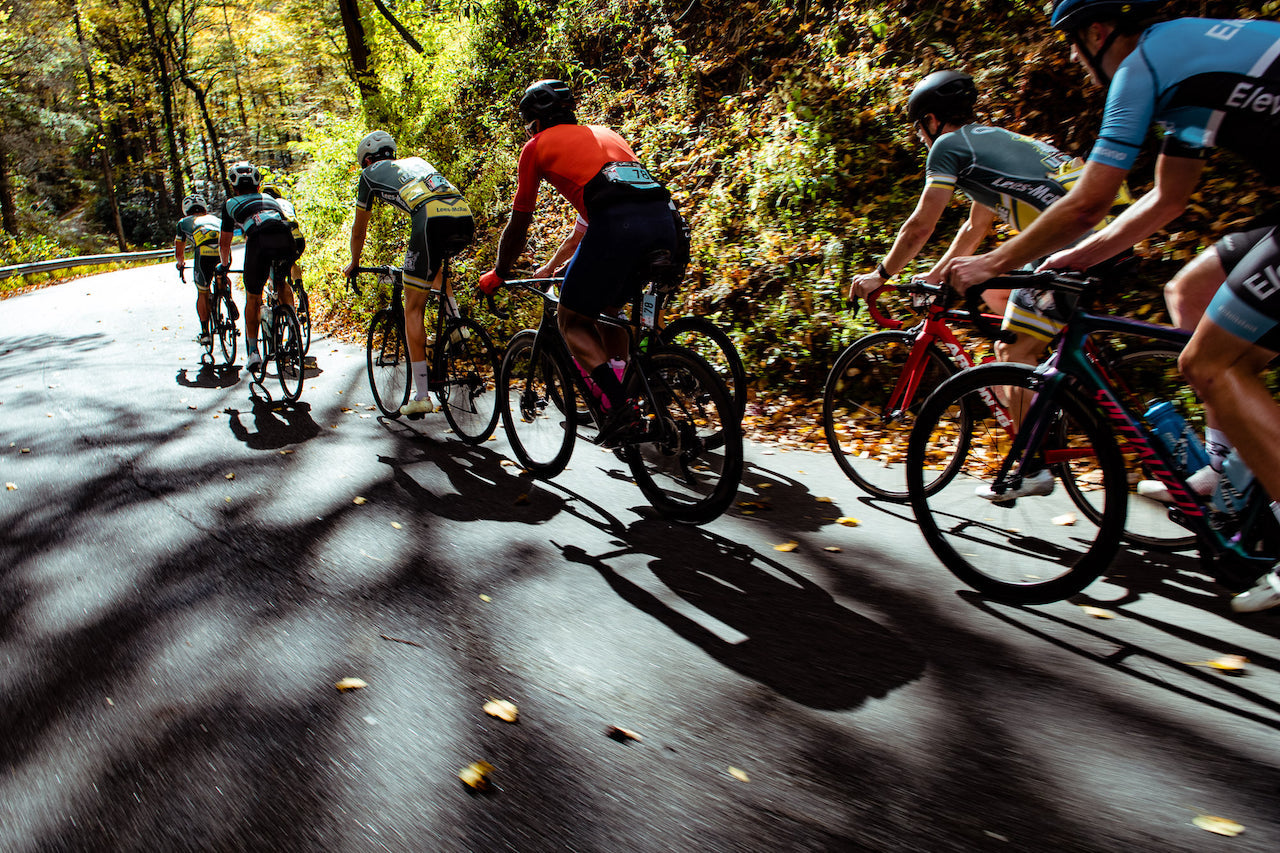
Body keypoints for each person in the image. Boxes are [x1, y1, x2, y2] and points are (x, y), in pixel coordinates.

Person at [940, 0, 1280, 611]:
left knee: (1208, 364)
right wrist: (1075, 258)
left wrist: (993, 263)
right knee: (1190, 291)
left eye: (1073, 42)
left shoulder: (1142, 66)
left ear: (1099, 31)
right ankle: (1230, 468)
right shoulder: (1192, 67)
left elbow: (1090, 200)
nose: (1073, 56)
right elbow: (1167, 198)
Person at [851, 70, 1129, 373]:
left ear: (932, 120)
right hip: (1111, 229)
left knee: (1009, 352)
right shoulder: (992, 140)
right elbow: (974, 229)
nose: (921, 139)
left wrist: (881, 274)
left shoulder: (947, 146)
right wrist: (934, 276)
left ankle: (1034, 377)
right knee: (992, 290)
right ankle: (1063, 367)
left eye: (919, 130)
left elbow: (920, 227)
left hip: (1073, 240)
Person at [478, 79, 683, 442]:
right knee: (609, 307)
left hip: (618, 227)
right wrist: (555, 265)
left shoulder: (536, 146)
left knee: (571, 319)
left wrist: (501, 271)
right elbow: (594, 217)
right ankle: (625, 394)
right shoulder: (606, 134)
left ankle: (619, 407)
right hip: (666, 223)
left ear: (534, 123)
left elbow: (520, 220)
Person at [342, 131, 475, 416]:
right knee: (435, 269)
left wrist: (355, 261)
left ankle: (422, 395)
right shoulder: (415, 162)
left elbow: (359, 227)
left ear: (367, 160)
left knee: (412, 310)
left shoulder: (368, 175)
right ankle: (457, 325)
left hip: (429, 220)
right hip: (463, 214)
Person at [218, 161, 297, 373]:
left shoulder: (230, 204)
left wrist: (225, 265)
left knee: (253, 297)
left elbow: (224, 243)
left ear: (233, 186)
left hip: (259, 242)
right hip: (286, 239)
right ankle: (293, 327)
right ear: (258, 184)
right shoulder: (270, 198)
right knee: (280, 281)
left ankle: (253, 352)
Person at [174, 193, 223, 347]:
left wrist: (180, 263)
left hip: (203, 253)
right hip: (222, 250)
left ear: (185, 210)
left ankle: (205, 333)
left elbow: (179, 251)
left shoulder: (183, 223)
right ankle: (226, 295)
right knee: (221, 275)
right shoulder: (216, 219)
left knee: (202, 292)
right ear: (204, 208)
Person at [262, 183, 306, 289]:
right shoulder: (287, 203)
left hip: (277, 239)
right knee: (292, 262)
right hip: (297, 237)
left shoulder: (264, 204)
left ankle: (273, 288)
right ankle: (299, 286)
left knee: (269, 264)